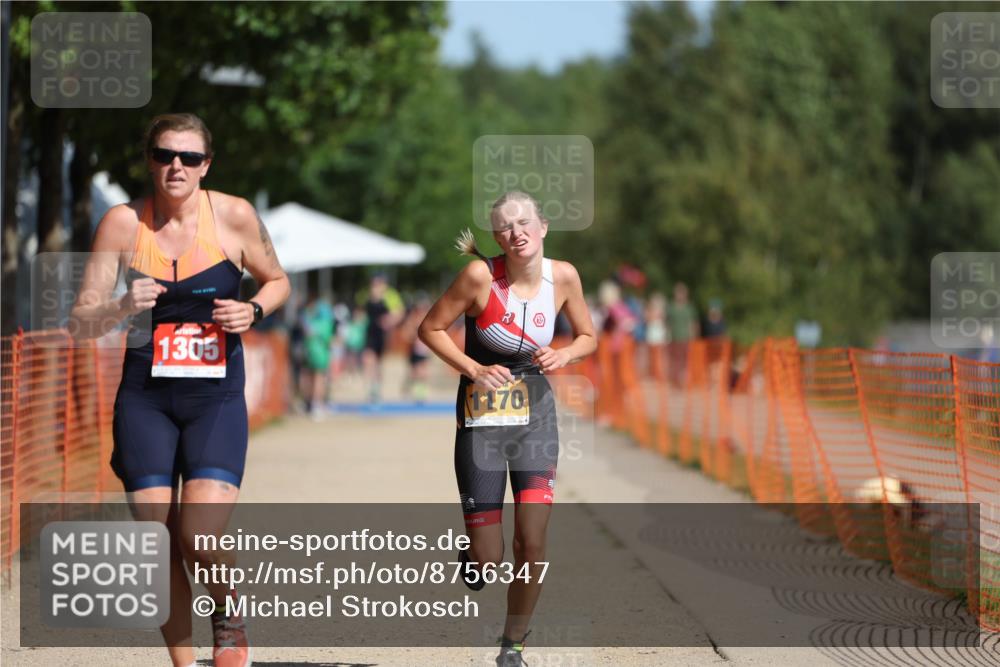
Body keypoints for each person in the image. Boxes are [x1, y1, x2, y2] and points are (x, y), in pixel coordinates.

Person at [69, 113, 290, 667]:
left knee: (198, 533)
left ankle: (228, 611)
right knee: (158, 542)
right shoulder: (122, 224)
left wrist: (254, 308)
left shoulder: (234, 216)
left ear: (205, 165)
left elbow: (278, 280)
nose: (177, 166)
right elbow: (80, 320)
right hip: (146, 398)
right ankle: (184, 663)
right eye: (166, 155)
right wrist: (122, 306)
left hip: (213, 399)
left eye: (190, 158)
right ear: (150, 160)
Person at [418, 191, 596, 667]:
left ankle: (512, 644)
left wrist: (565, 354)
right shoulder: (480, 277)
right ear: (497, 238)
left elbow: (588, 336)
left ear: (543, 227)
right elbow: (430, 329)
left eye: (524, 223)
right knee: (488, 558)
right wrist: (473, 368)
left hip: (535, 414)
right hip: (481, 416)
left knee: (533, 540)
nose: (516, 233)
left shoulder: (564, 277)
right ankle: (476, 554)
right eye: (504, 227)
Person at [300, 289, 335, 420]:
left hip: (309, 349)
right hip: (319, 351)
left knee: (308, 376)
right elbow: (328, 337)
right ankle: (316, 404)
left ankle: (309, 403)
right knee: (319, 377)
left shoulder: (306, 316)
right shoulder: (324, 318)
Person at [666, 282, 698, 387]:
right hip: (674, 339)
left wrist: (693, 338)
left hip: (686, 339)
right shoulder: (671, 307)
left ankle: (685, 381)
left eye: (682, 293)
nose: (680, 295)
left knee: (686, 361)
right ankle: (675, 382)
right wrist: (667, 336)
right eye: (678, 293)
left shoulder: (689, 308)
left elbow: (693, 324)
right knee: (675, 361)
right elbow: (668, 323)